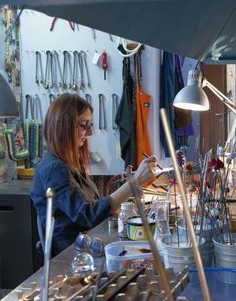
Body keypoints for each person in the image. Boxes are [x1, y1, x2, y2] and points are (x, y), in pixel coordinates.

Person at [31, 94, 156, 256]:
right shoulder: (53, 169)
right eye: (84, 125)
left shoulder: (70, 163)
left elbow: (95, 204)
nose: (89, 132)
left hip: (87, 244)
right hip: (72, 256)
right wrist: (134, 182)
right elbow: (88, 214)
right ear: (63, 127)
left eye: (90, 124)